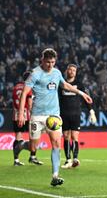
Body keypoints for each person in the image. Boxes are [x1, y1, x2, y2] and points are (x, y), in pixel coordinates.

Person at [18, 48, 93, 186]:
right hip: (37, 116)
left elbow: (66, 86)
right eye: (48, 62)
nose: (50, 65)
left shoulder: (57, 73)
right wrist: (22, 112)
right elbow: (24, 93)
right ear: (42, 60)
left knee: (57, 144)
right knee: (33, 146)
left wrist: (82, 94)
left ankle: (55, 176)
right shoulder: (35, 74)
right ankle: (22, 145)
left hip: (53, 116)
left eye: (53, 62)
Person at [59, 64, 96, 169]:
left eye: (73, 70)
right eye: (70, 70)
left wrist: (91, 111)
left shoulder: (79, 84)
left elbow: (86, 98)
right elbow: (57, 98)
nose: (71, 71)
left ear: (76, 72)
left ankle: (75, 158)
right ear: (67, 71)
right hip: (64, 113)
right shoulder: (61, 84)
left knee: (74, 136)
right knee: (66, 137)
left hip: (75, 113)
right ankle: (68, 160)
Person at [11, 70, 38, 166]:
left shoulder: (15, 87)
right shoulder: (28, 88)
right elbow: (30, 104)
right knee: (33, 136)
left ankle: (16, 160)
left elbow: (13, 100)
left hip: (16, 115)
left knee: (18, 136)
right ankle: (32, 156)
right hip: (27, 115)